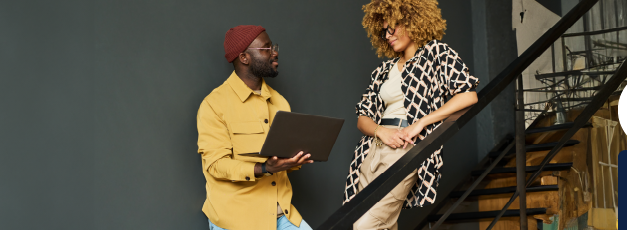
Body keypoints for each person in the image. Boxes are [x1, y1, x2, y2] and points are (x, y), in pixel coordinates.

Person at [342, 0, 480, 229]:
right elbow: (362, 118)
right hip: (372, 150)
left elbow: (468, 95)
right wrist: (381, 132)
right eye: (383, 30)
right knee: (380, 223)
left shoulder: (436, 54)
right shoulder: (382, 71)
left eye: (392, 27)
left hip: (406, 148)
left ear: (411, 21)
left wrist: (421, 123)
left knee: (366, 225)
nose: (387, 35)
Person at [198, 25, 314, 230]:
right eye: (267, 48)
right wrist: (264, 168)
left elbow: (284, 157)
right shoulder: (213, 105)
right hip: (237, 220)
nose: (275, 52)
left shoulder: (280, 102)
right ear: (244, 57)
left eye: (273, 47)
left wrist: (297, 158)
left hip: (282, 216)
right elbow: (216, 165)